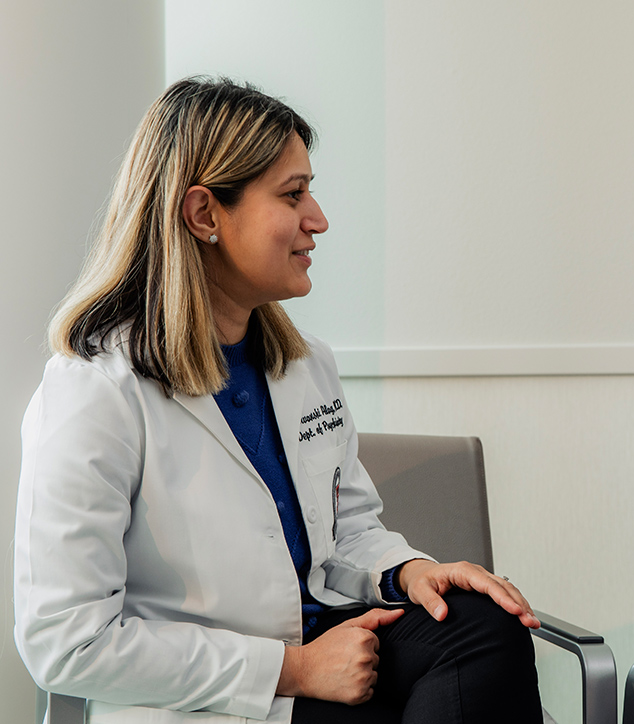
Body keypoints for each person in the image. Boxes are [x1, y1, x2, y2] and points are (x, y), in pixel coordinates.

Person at [14, 78, 544, 724]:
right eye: (293, 195)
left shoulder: (303, 364)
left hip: (332, 647)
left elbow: (347, 527)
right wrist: (293, 671)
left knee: (482, 624)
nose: (318, 220)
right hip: (212, 698)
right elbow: (65, 642)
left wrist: (406, 571)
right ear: (204, 214)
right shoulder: (95, 391)